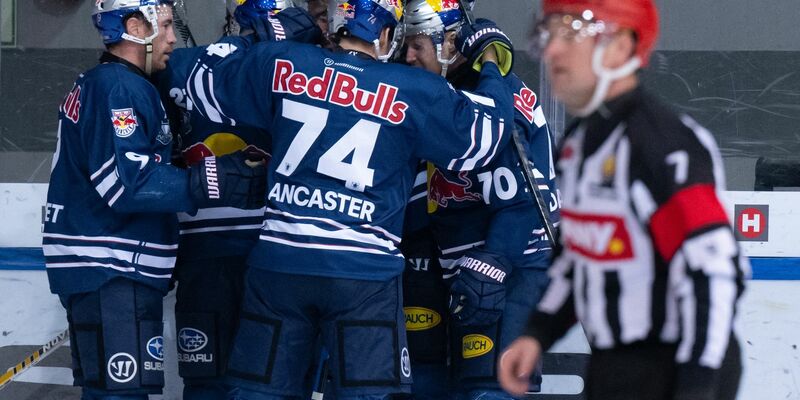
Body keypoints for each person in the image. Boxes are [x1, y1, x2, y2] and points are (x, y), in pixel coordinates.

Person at [182, 0, 517, 398]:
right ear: (388, 35)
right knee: (365, 393)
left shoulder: (282, 61)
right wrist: (492, 61)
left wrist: (254, 37)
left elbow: (197, 84)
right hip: (364, 274)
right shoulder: (414, 88)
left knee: (260, 393)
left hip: (280, 264)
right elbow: (488, 137)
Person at [498, 1, 749, 399]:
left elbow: (714, 273)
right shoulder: (577, 146)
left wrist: (699, 384)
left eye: (571, 34)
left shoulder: (662, 145)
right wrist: (537, 334)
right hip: (612, 367)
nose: (553, 50)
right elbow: (574, 259)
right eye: (549, 34)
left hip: (677, 368)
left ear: (620, 47)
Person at [42, 1, 266, 398]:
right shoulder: (119, 87)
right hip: (111, 268)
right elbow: (125, 185)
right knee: (121, 395)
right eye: (163, 27)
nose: (172, 38)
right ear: (133, 26)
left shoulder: (110, 83)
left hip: (106, 268)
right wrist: (210, 177)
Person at [155, 1, 321, 399]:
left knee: (210, 382)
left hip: (208, 251)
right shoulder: (304, 66)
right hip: (272, 252)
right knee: (272, 382)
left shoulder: (182, 63)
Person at [400, 1, 559, 399]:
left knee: (490, 385)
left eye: (418, 44)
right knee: (428, 377)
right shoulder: (441, 88)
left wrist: (495, 261)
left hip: (510, 265)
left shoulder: (495, 95)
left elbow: (528, 196)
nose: (408, 55)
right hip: (451, 260)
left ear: (450, 42)